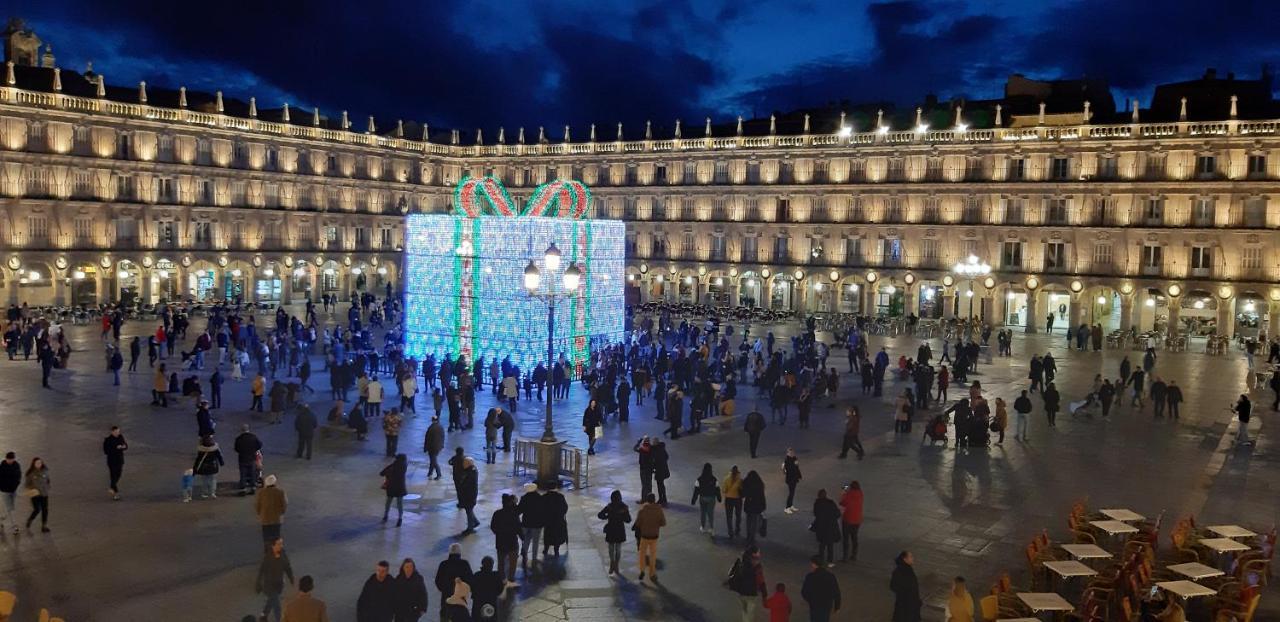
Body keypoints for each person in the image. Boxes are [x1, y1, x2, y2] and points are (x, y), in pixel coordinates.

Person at [256, 537, 295, 622]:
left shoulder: (283, 554)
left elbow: (287, 567)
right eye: (279, 544)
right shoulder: (268, 557)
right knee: (277, 606)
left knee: (271, 601)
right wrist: (258, 583)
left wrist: (291, 578)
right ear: (273, 546)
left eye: (282, 543)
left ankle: (263, 615)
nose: (281, 546)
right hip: (269, 586)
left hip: (279, 585)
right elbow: (261, 570)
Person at [434, 543, 474, 621]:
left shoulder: (443, 564)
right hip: (460, 599)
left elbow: (438, 581)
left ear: (449, 552)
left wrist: (444, 589)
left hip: (446, 598)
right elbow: (470, 580)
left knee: (445, 616)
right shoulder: (464, 564)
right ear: (460, 552)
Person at [489, 494, 522, 588]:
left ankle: (502, 578)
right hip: (512, 542)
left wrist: (498, 533)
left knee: (501, 562)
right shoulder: (514, 515)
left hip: (500, 541)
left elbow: (493, 526)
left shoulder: (497, 514)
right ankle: (511, 578)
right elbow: (518, 528)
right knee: (513, 562)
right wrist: (523, 537)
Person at [729, 545, 767, 622]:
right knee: (750, 615)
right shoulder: (757, 566)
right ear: (754, 554)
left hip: (741, 592)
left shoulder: (741, 561)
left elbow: (731, 573)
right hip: (751, 593)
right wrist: (764, 594)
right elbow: (761, 581)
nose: (760, 553)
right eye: (758, 552)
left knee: (744, 611)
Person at [598, 490, 631, 576]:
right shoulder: (624, 507)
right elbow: (628, 520)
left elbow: (600, 515)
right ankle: (616, 564)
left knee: (611, 548)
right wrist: (622, 516)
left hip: (611, 529)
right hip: (620, 530)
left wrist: (607, 516)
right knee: (618, 549)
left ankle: (612, 563)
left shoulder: (609, 507)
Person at [634, 493, 666, 583]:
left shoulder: (642, 510)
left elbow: (637, 523)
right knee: (653, 555)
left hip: (644, 536)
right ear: (654, 500)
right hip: (654, 536)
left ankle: (642, 570)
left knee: (642, 553)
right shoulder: (659, 509)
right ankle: (652, 573)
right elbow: (663, 523)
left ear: (647, 500)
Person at [801, 555, 842, 622]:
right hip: (826, 605)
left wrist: (810, 600)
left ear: (814, 564)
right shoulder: (831, 576)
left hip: (815, 605)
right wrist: (837, 606)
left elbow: (804, 592)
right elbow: (836, 592)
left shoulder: (810, 576)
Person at [516, 483, 545, 566]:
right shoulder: (540, 498)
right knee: (535, 541)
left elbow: (519, 510)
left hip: (526, 523)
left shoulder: (524, 498)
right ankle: (534, 558)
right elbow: (543, 510)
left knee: (526, 540)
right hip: (537, 524)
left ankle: (524, 554)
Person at [812, 489, 841, 566]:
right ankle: (830, 561)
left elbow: (816, 514)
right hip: (831, 527)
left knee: (822, 544)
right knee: (830, 545)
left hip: (821, 528)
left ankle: (821, 559)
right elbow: (838, 514)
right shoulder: (831, 503)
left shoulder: (817, 504)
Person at [891, 551, 922, 622]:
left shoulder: (907, 569)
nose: (913, 558)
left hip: (908, 604)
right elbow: (893, 586)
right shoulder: (902, 571)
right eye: (911, 557)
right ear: (905, 559)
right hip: (907, 605)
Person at [469, 556, 503, 621]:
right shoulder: (496, 576)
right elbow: (500, 590)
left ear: (482, 564)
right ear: (492, 565)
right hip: (491, 602)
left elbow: (471, 588)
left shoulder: (477, 575)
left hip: (478, 603)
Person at [257, 474, 288, 543]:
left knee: (266, 536)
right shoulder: (280, 492)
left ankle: (267, 549)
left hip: (265, 519)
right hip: (276, 519)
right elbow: (284, 504)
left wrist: (260, 514)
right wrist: (281, 512)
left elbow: (257, 505)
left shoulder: (261, 493)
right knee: (276, 536)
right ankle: (276, 550)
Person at [22, 457, 51, 532]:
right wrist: (33, 489)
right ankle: (30, 520)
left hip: (44, 494)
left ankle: (44, 526)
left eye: (40, 463)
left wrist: (47, 487)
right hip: (35, 495)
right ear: (33, 464)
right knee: (37, 509)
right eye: (37, 463)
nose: (39, 464)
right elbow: (26, 485)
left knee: (45, 510)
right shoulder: (30, 473)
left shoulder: (45, 471)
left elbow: (48, 480)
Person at [691, 463, 721, 535]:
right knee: (710, 513)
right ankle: (711, 528)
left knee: (703, 512)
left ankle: (703, 527)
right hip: (711, 498)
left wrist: (693, 500)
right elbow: (717, 489)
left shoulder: (699, 479)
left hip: (702, 498)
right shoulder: (714, 479)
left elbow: (696, 490)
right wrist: (719, 498)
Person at [192, 435, 224, 500]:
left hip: (204, 468)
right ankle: (212, 493)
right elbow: (219, 456)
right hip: (213, 467)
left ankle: (204, 493)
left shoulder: (201, 450)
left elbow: (198, 460)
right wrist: (221, 463)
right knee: (213, 480)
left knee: (204, 481)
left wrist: (194, 470)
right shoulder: (215, 449)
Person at [541, 485, 569, 557]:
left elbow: (541, 508)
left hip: (548, 520)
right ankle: (556, 551)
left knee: (547, 535)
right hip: (558, 520)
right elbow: (565, 507)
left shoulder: (544, 497)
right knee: (557, 535)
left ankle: (546, 549)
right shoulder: (560, 496)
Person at [235, 424, 263, 495]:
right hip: (252, 458)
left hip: (242, 458)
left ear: (241, 430)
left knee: (243, 474)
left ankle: (243, 488)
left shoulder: (239, 438)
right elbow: (259, 445)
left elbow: (236, 448)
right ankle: (252, 487)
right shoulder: (253, 437)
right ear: (248, 429)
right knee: (252, 472)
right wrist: (254, 450)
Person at [381, 454, 408, 527]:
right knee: (400, 503)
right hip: (400, 487)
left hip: (391, 487)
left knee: (389, 501)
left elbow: (382, 473)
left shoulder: (394, 465)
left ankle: (385, 516)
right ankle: (400, 518)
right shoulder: (405, 465)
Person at [742, 470, 767, 545]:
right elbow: (762, 497)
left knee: (748, 521)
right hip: (756, 507)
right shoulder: (759, 484)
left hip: (748, 506)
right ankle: (752, 538)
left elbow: (743, 494)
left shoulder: (747, 483)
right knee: (754, 523)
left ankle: (748, 535)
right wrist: (763, 506)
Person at [103, 425, 128, 500]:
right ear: (112, 432)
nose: (118, 433)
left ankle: (111, 487)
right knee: (113, 476)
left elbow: (126, 446)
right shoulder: (107, 440)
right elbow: (106, 451)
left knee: (119, 474)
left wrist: (123, 447)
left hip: (120, 460)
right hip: (112, 461)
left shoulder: (121, 437)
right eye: (116, 432)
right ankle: (115, 494)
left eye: (118, 431)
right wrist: (116, 448)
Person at [457, 457, 481, 533]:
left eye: (465, 463)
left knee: (469, 510)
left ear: (469, 464)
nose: (463, 464)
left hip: (470, 495)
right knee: (469, 510)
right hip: (468, 494)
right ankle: (476, 522)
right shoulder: (470, 470)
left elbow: (466, 484)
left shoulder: (471, 472)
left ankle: (470, 528)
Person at [722, 465, 744, 540]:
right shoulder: (740, 480)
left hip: (729, 499)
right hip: (738, 500)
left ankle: (730, 532)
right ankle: (737, 530)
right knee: (738, 515)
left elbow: (724, 490)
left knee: (729, 517)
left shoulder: (726, 479)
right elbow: (742, 490)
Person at [0, 452, 19, 533]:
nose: (11, 461)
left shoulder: (16, 465)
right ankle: (14, 527)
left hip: (13, 490)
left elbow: (19, 475)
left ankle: (1, 519)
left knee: (11, 508)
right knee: (10, 509)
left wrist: (17, 484)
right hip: (5, 491)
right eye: (9, 459)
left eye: (12, 459)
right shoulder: (2, 467)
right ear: (6, 458)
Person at [634, 437, 655, 502]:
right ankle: (650, 499)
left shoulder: (641, 449)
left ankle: (643, 499)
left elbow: (634, 448)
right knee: (649, 484)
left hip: (643, 469)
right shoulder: (652, 448)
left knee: (644, 484)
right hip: (650, 469)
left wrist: (638, 442)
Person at [651, 439, 670, 505]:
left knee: (660, 485)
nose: (652, 444)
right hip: (664, 469)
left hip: (660, 471)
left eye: (653, 443)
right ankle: (663, 498)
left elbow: (655, 461)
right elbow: (667, 457)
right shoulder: (661, 448)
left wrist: (653, 467)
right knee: (661, 484)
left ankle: (662, 499)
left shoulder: (656, 451)